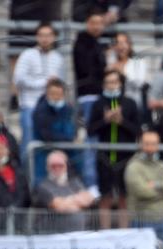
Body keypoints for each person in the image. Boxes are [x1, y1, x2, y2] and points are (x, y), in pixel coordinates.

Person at [87, 69, 140, 230]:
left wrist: (121, 121)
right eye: (108, 82)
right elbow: (90, 130)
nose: (111, 85)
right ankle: (105, 231)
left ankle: (124, 231)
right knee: (106, 196)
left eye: (114, 82)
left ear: (120, 84)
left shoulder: (130, 103)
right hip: (105, 157)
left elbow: (137, 130)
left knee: (124, 197)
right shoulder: (98, 104)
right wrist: (106, 120)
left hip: (126, 157)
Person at [12, 24, 65, 168]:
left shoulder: (58, 58)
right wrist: (44, 83)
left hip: (51, 108)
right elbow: (18, 79)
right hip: (30, 106)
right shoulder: (27, 54)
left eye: (48, 35)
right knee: (29, 142)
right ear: (37, 37)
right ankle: (26, 175)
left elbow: (61, 84)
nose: (45, 39)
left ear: (54, 37)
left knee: (50, 144)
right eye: (41, 35)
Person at [124, 130, 163, 247]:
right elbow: (143, 192)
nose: (150, 148)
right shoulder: (133, 167)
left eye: (154, 144)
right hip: (142, 220)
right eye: (147, 143)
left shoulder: (162, 165)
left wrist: (156, 185)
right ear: (140, 144)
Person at [72, 10, 107, 190]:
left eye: (100, 23)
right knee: (90, 141)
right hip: (89, 97)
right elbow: (88, 71)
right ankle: (90, 184)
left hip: (102, 97)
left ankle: (101, 184)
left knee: (103, 140)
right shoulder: (82, 43)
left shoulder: (97, 44)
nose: (97, 26)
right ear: (87, 23)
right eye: (94, 22)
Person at [32, 150, 97, 234]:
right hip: (52, 237)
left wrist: (66, 201)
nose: (57, 168)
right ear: (47, 167)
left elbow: (88, 199)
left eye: (60, 165)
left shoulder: (74, 183)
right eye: (53, 166)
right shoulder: (42, 187)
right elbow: (59, 206)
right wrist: (77, 202)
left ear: (66, 166)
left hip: (79, 235)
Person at [32, 78, 78, 184]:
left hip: (67, 154)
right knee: (44, 184)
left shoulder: (68, 109)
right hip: (44, 153)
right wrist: (69, 140)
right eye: (52, 94)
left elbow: (73, 129)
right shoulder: (40, 111)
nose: (56, 97)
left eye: (59, 94)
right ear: (47, 94)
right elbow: (46, 135)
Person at [106, 32, 150, 112]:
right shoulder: (111, 62)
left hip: (133, 103)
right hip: (114, 102)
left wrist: (123, 73)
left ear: (130, 45)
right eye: (117, 43)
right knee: (113, 119)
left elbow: (139, 83)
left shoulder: (138, 62)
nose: (120, 46)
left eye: (123, 43)